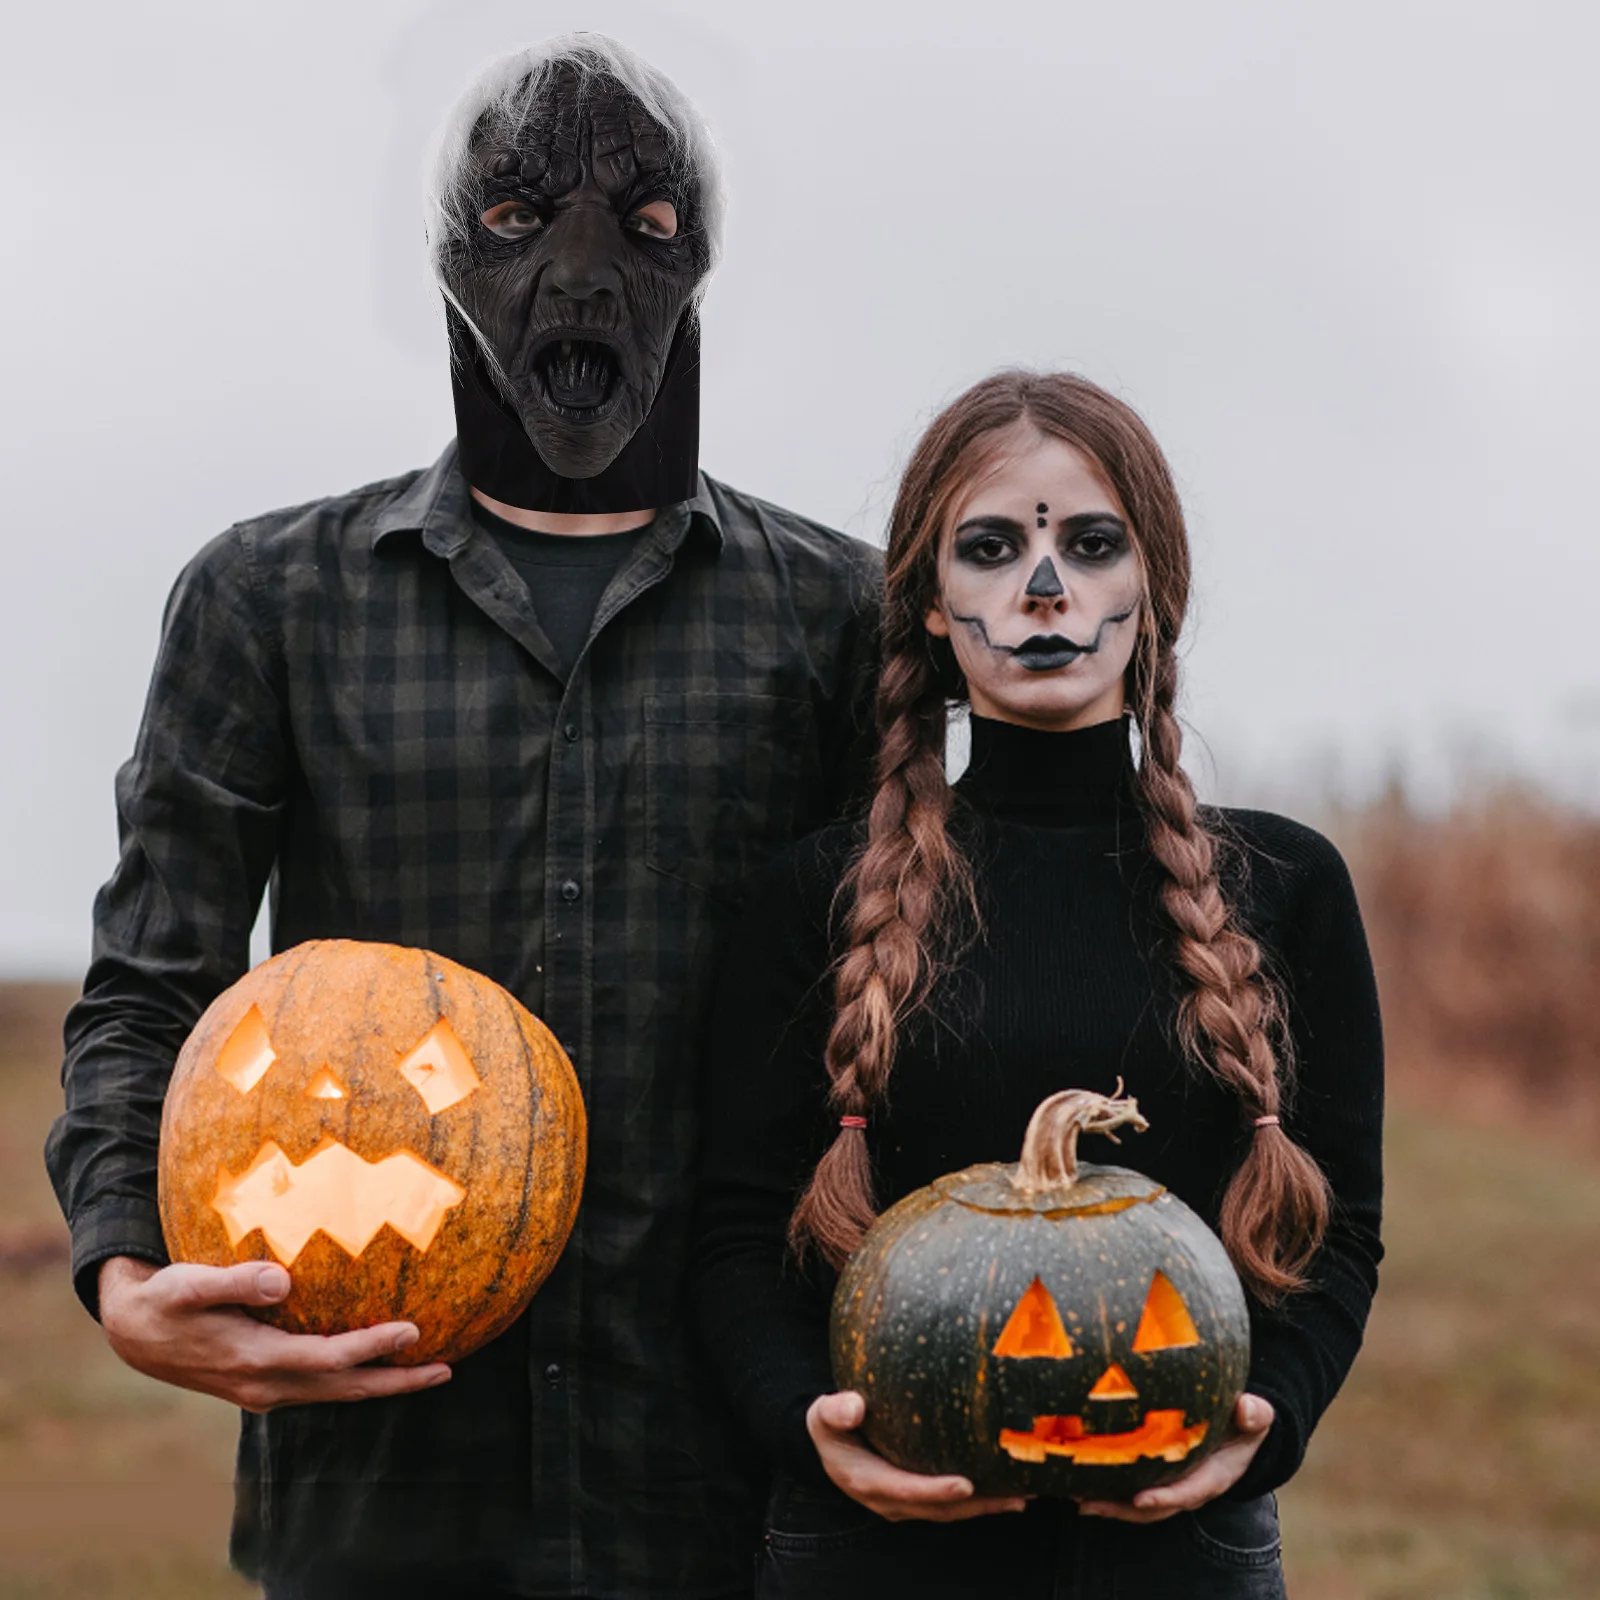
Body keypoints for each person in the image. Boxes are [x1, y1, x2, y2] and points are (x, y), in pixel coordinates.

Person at [45, 35, 879, 1600]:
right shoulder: (267, 601)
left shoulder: (838, 617)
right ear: (444, 253)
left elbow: (893, 1007)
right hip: (381, 1501)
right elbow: (153, 982)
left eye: (638, 225)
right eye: (515, 220)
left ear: (699, 260)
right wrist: (121, 1264)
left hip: (726, 1488)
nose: (577, 277)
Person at [692, 370, 1384, 1598]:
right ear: (930, 602)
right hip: (868, 1548)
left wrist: (1264, 1420)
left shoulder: (1286, 886)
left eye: (1091, 543)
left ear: (1152, 586)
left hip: (1182, 1550)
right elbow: (737, 1234)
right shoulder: (818, 894)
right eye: (993, 546)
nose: (1045, 585)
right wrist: (812, 1425)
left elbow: (1338, 1240)